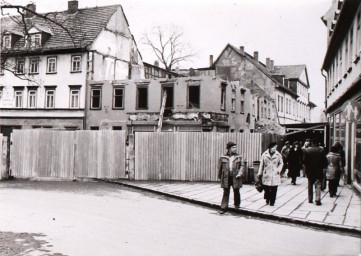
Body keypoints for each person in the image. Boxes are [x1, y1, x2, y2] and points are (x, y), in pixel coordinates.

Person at [218, 141, 245, 214]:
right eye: (233, 147)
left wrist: (240, 174)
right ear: (229, 149)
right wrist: (220, 176)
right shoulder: (223, 157)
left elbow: (242, 166)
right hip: (226, 177)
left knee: (236, 191)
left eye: (235, 147)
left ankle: (237, 205)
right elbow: (220, 167)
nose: (235, 149)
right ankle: (223, 207)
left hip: (236, 177)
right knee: (226, 192)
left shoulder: (239, 156)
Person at [257, 142, 283, 206]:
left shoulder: (278, 155)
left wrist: (278, 170)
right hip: (267, 173)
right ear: (270, 147)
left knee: (274, 188)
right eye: (274, 147)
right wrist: (259, 173)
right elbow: (261, 164)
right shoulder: (264, 154)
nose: (275, 149)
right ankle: (267, 198)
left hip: (275, 173)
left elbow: (281, 163)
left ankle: (272, 202)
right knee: (266, 188)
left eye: (276, 147)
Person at [303, 140, 327, 206]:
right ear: (318, 144)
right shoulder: (321, 150)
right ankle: (317, 199)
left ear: (311, 144)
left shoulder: (306, 150)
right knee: (318, 185)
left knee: (310, 185)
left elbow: (304, 161)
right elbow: (325, 161)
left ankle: (310, 199)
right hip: (318, 170)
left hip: (309, 170)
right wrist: (324, 168)